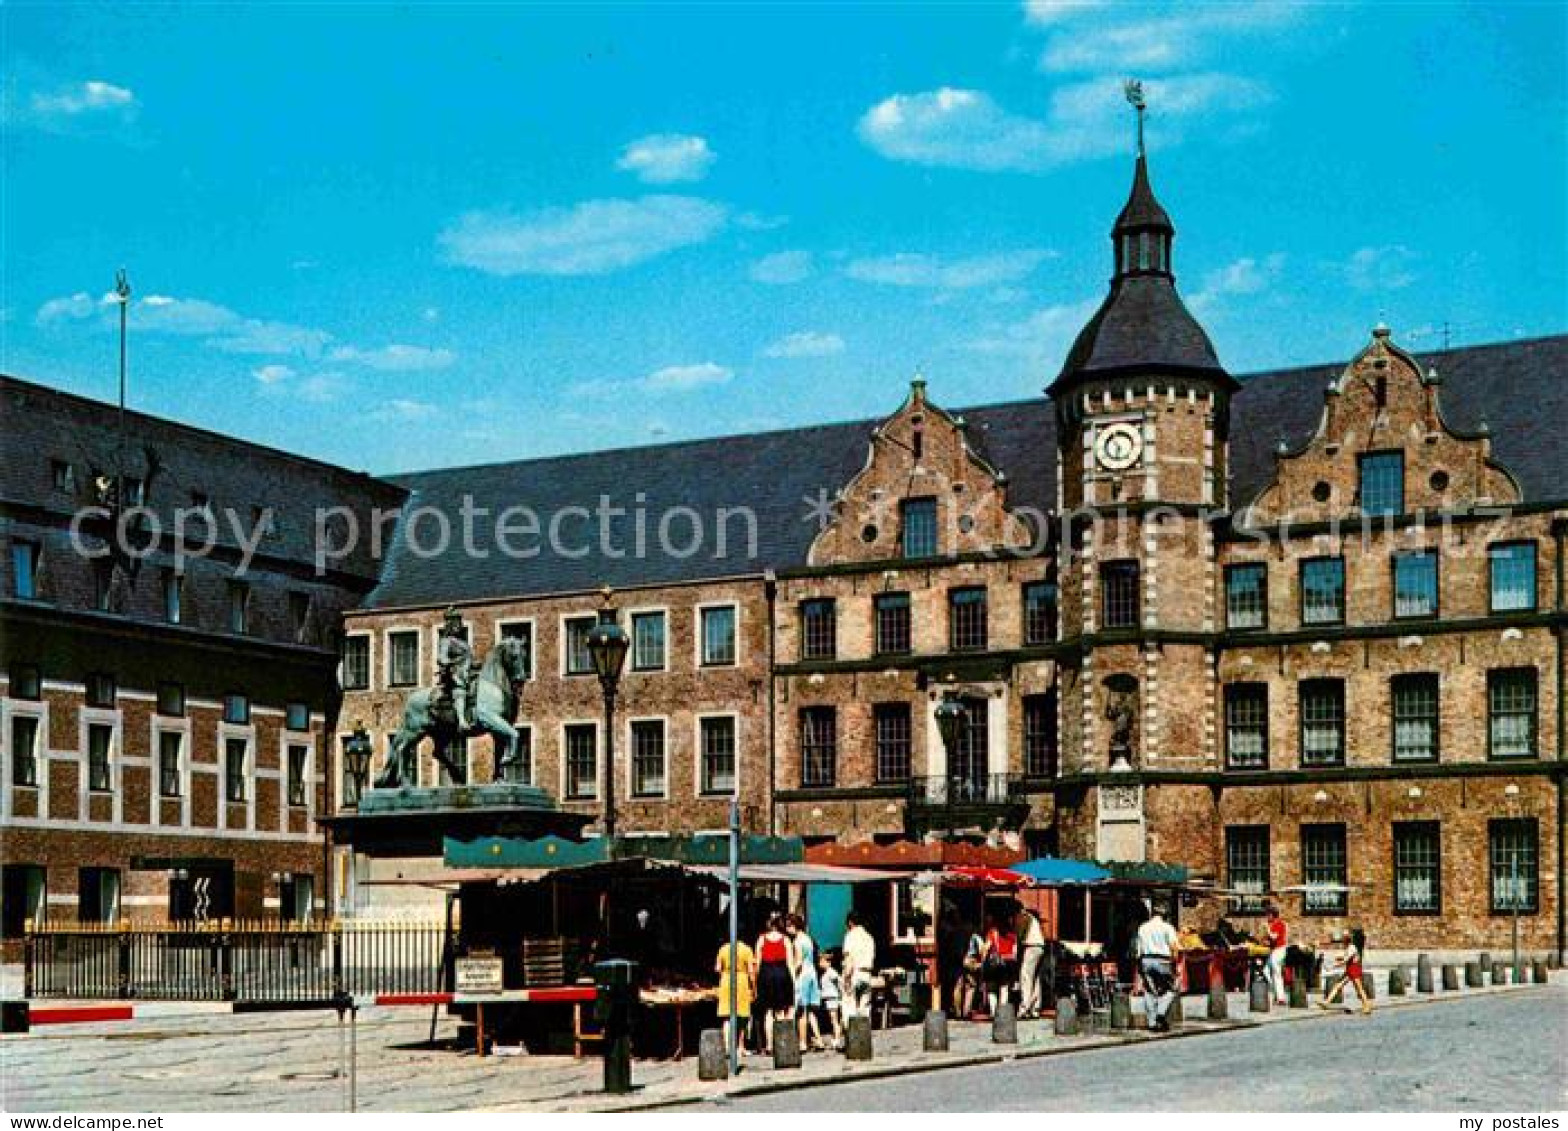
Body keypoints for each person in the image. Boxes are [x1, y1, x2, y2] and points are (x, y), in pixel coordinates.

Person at [754, 914, 796, 1053]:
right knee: (781, 1012)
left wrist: (756, 981)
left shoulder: (761, 939)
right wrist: (793, 982)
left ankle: (770, 1045)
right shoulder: (786, 940)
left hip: (766, 974)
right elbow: (790, 963)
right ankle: (782, 1043)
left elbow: (757, 963)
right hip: (782, 974)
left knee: (768, 1012)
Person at [1136, 904, 1181, 1032]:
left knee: (1149, 990)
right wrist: (1175, 963)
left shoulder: (1142, 927)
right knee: (1171, 988)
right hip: (1162, 960)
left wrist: (1140, 964)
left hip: (1146, 959)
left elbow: (1138, 949)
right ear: (1164, 915)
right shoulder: (1167, 927)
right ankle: (1160, 1014)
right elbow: (1174, 946)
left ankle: (1151, 1023)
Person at [786, 914, 826, 1051]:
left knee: (801, 1011)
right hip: (812, 974)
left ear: (794, 926)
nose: (787, 929)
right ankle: (819, 1039)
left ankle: (802, 1042)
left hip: (802, 976)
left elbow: (798, 962)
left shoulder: (797, 941)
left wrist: (792, 976)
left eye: (789, 926)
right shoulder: (808, 939)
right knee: (811, 1011)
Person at [434, 606, 477, 730]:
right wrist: (448, 663)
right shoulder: (446, 641)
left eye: (460, 623)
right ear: (450, 625)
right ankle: (462, 720)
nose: (459, 626)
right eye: (456, 623)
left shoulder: (464, 643)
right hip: (454, 674)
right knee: (460, 689)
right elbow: (441, 657)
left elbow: (471, 660)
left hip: (468, 672)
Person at [715, 937, 756, 1054]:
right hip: (742, 981)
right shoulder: (747, 949)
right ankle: (740, 1047)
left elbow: (717, 968)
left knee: (727, 1015)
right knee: (742, 1016)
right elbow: (751, 971)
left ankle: (727, 1046)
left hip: (726, 980)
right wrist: (754, 988)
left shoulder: (723, 948)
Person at [1317, 929, 1372, 1015]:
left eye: (1344, 938)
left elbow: (1346, 960)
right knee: (1338, 985)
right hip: (1349, 969)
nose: (1342, 940)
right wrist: (1337, 957)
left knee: (1359, 988)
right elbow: (1344, 956)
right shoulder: (1348, 947)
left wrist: (1333, 966)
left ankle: (1367, 1006)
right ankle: (1326, 1002)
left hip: (1354, 969)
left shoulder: (1352, 947)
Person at [981, 912, 1019, 1018]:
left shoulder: (993, 932)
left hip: (994, 962)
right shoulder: (1013, 934)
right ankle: (1002, 1011)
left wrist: (983, 962)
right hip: (1008, 962)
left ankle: (993, 1011)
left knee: (991, 987)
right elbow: (1015, 952)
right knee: (1004, 987)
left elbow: (986, 947)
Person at [841, 911, 876, 1019]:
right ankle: (863, 1033)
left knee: (849, 1005)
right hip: (866, 974)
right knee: (865, 1007)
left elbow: (849, 959)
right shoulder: (869, 937)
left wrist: (846, 977)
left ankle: (852, 1033)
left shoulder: (850, 936)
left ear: (850, 923)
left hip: (854, 974)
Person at [1015, 903, 1047, 1019]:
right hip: (1040, 946)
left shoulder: (1023, 917)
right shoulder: (1033, 919)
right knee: (1035, 978)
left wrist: (1016, 950)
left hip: (1031, 946)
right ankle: (1035, 1007)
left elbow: (1020, 935)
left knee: (1026, 976)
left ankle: (1024, 1007)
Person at [817, 949, 845, 1049]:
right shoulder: (825, 973)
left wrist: (842, 993)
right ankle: (836, 1037)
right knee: (832, 1019)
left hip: (832, 998)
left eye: (822, 962)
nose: (820, 964)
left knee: (834, 1019)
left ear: (828, 962)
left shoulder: (831, 972)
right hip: (828, 998)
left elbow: (839, 981)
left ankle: (837, 1038)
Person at [1263, 904, 1289, 1006]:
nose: (1266, 917)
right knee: (1266, 970)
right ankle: (1277, 995)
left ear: (1272, 915)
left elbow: (1274, 937)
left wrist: (1268, 930)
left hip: (1279, 950)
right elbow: (1270, 940)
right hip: (1273, 950)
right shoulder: (1273, 925)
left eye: (1268, 915)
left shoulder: (1279, 924)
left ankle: (1280, 997)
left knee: (1276, 973)